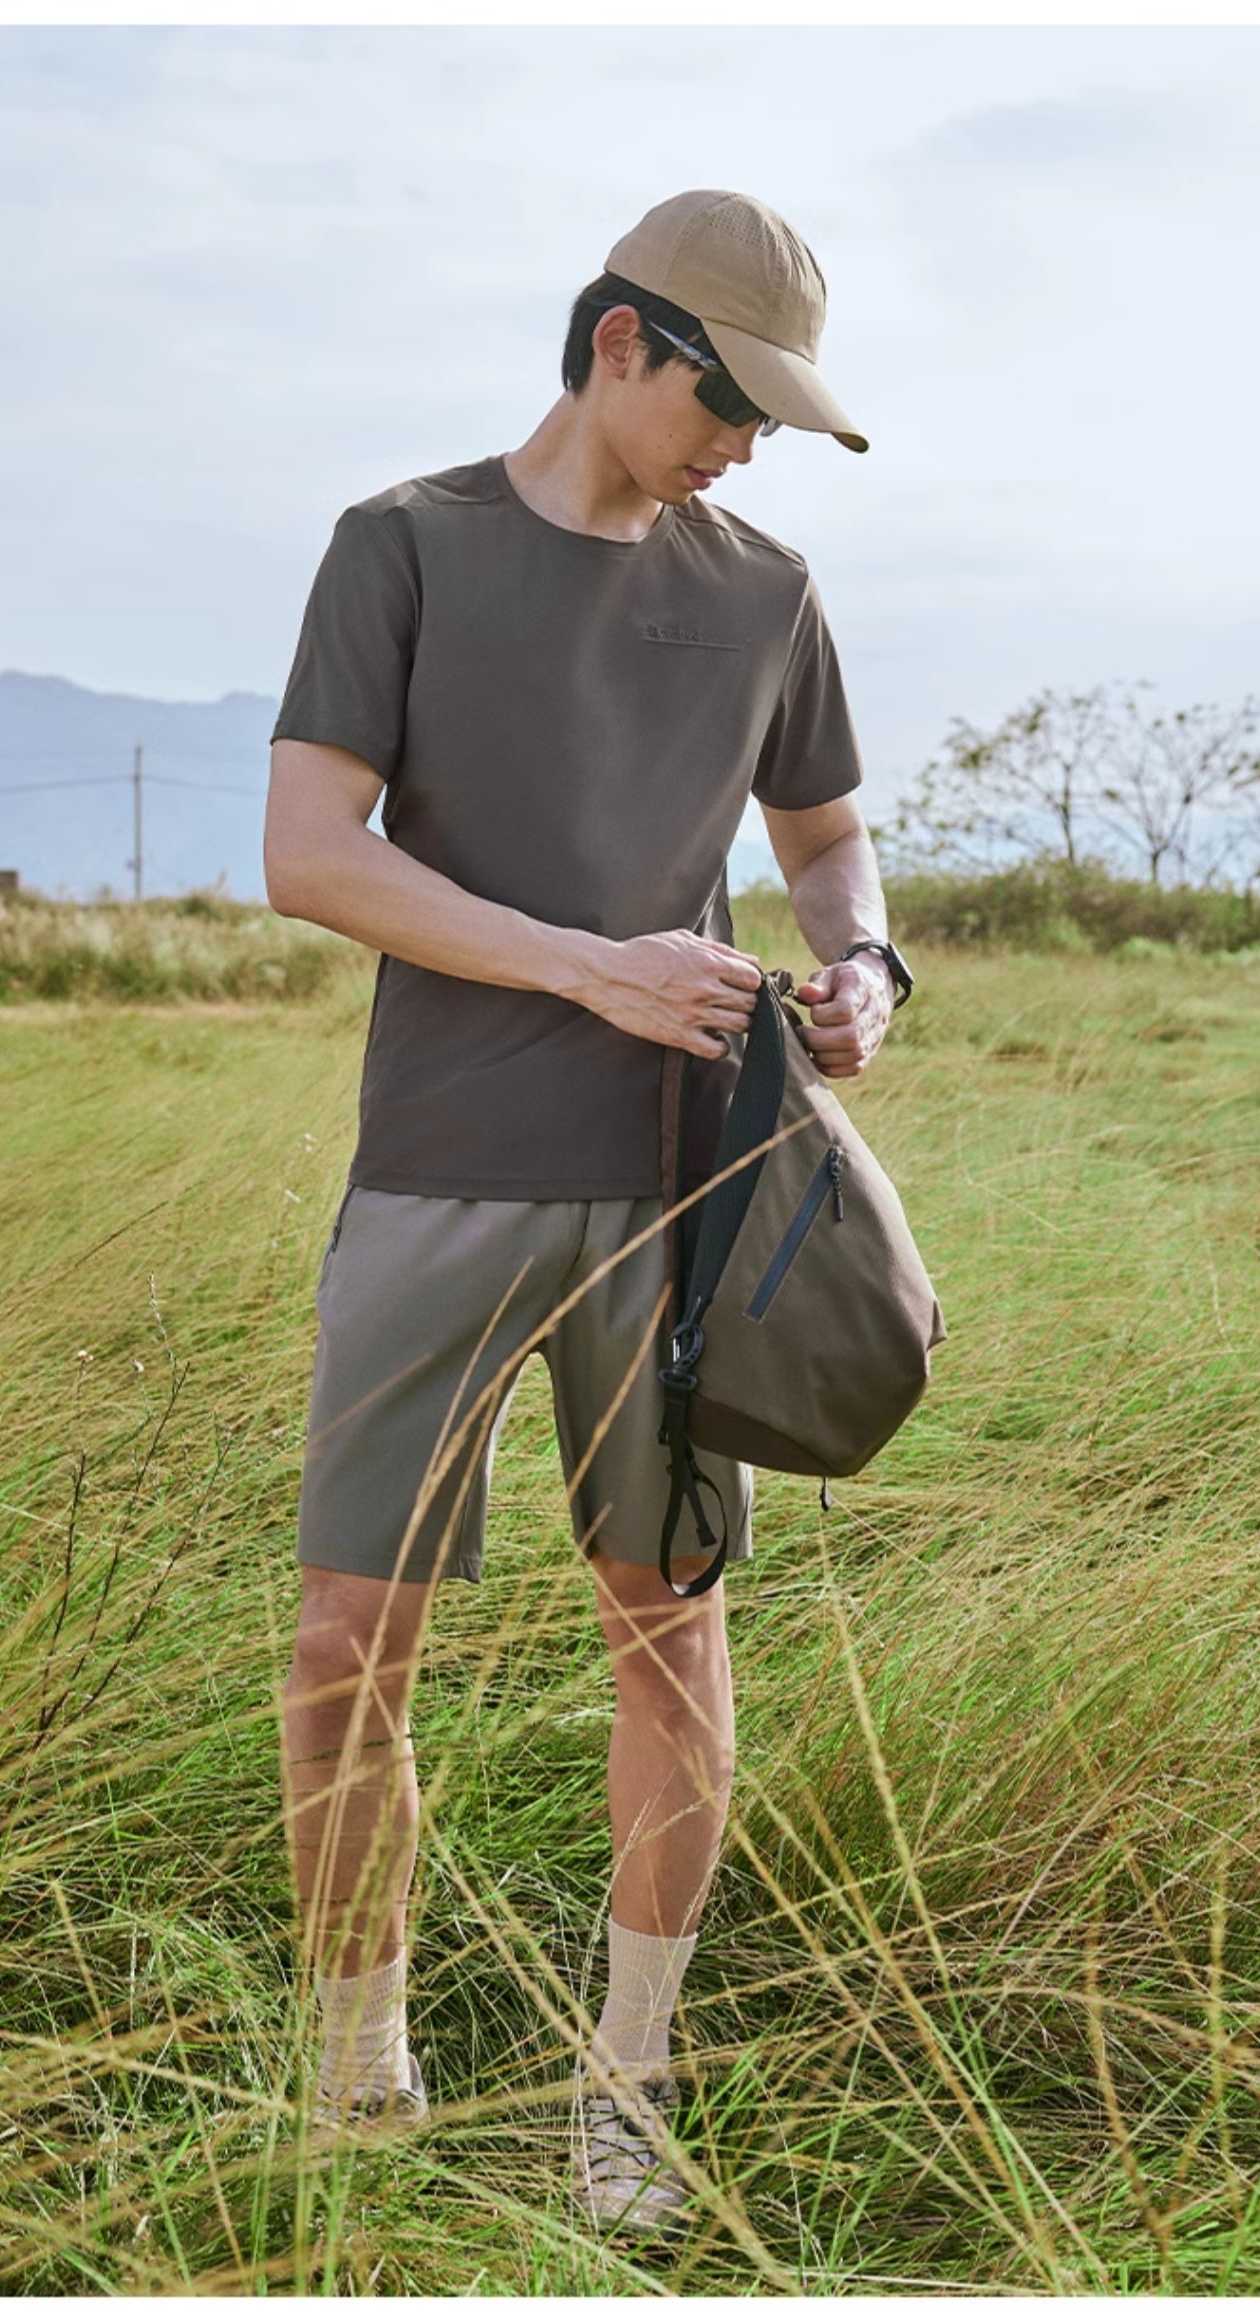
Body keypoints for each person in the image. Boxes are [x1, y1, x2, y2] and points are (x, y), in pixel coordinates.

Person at [263, 186, 903, 2232]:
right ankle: (358, 2078)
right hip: (438, 1169)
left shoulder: (769, 590)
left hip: (679, 1191)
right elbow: (310, 852)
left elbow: (827, 841)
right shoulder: (403, 545)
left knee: (670, 1621)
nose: (749, 447)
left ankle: (626, 2083)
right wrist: (588, 966)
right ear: (622, 339)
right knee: (349, 1641)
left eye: (776, 421)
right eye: (732, 401)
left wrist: (865, 963)